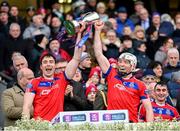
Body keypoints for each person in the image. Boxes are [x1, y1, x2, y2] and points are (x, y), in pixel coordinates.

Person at [22, 22, 86, 121]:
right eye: (45, 62)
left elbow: (76, 58)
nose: (48, 64)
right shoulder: (33, 82)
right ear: (41, 67)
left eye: (51, 62)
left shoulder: (62, 78)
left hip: (57, 125)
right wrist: (25, 125)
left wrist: (79, 34)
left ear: (54, 66)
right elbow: (26, 107)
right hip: (40, 125)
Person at [93, 20, 153, 122]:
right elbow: (98, 54)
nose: (121, 64)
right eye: (120, 61)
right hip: (111, 123)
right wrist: (98, 31)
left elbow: (148, 109)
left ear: (133, 66)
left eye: (126, 62)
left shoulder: (140, 85)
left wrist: (150, 127)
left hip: (131, 124)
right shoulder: (112, 74)